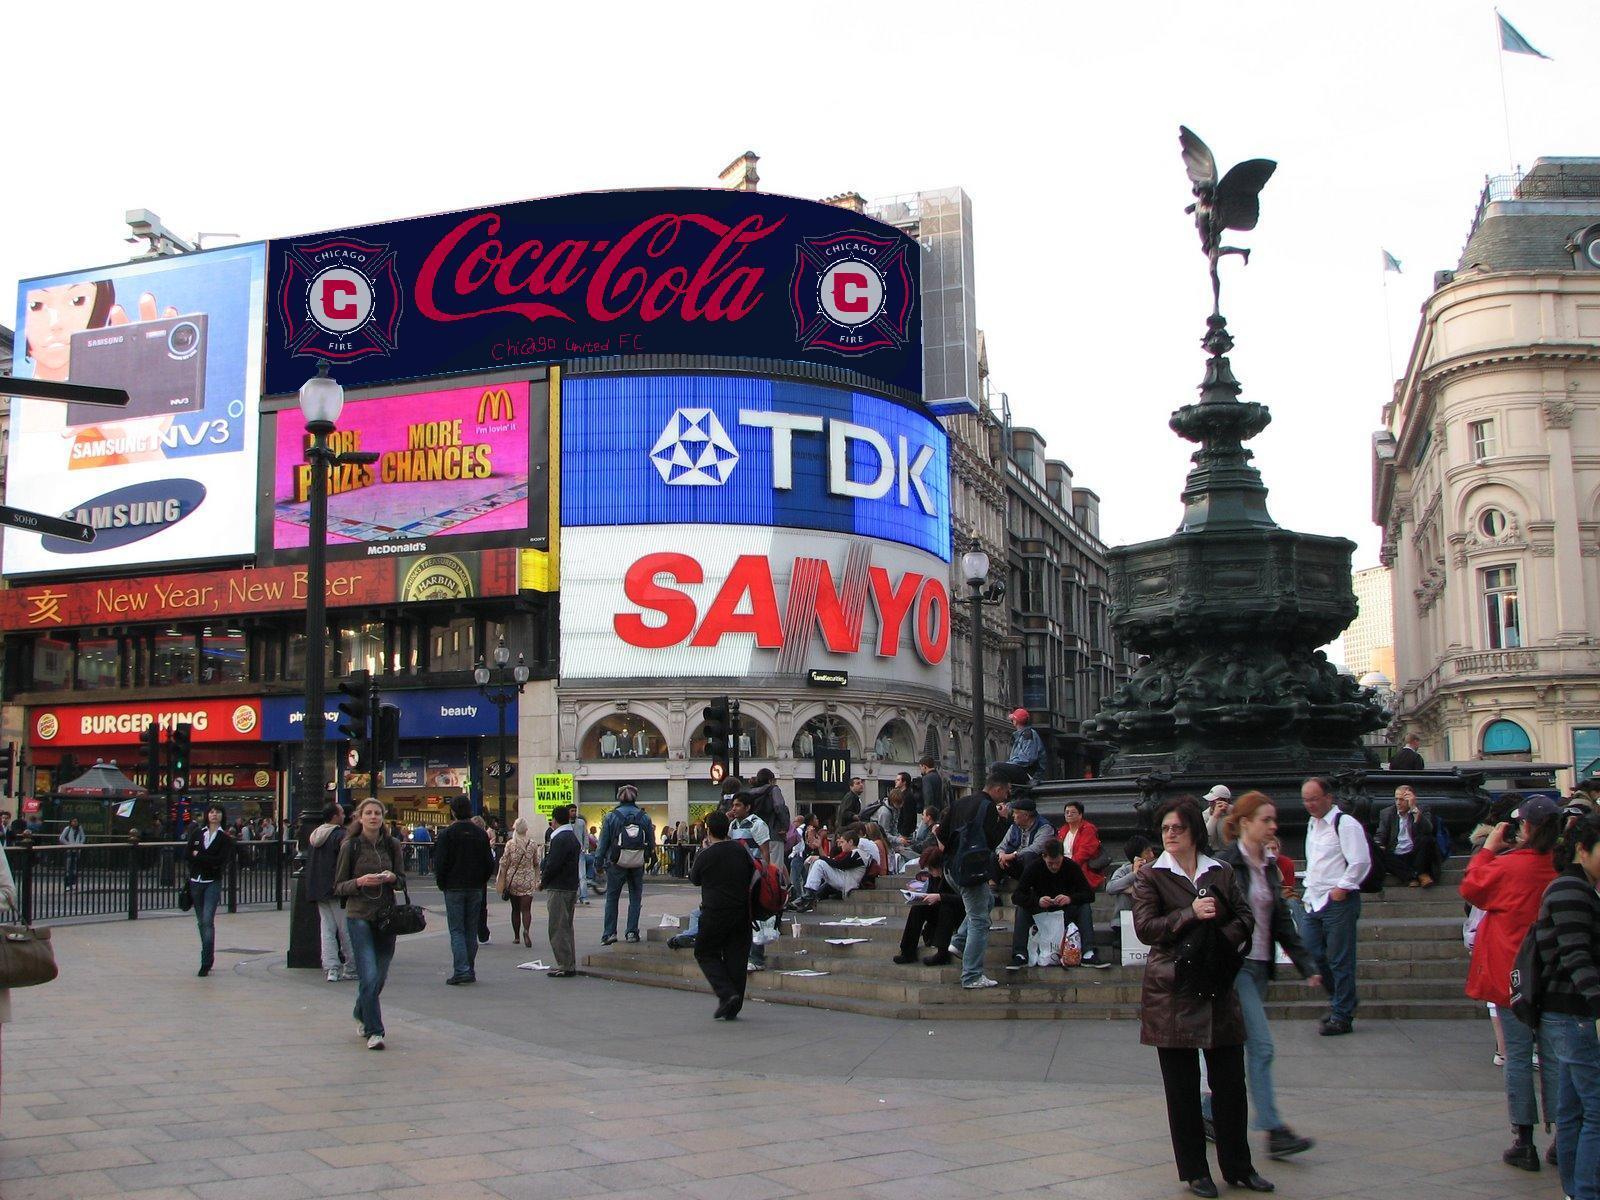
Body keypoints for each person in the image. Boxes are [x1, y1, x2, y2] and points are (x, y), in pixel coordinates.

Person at [1132, 796, 1271, 1198]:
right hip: (1172, 990)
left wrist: (1220, 942)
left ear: (1194, 830)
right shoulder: (1151, 876)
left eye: (1177, 828)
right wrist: (1190, 913)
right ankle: (1195, 1171)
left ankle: (1239, 1166)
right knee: (1182, 1088)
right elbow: (1146, 928)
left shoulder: (1220, 871)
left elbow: (1245, 916)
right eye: (1164, 830)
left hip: (1217, 985)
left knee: (1230, 1084)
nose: (1170, 835)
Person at [1204, 791, 1321, 1161]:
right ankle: (1273, 1130)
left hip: (1258, 967)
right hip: (1234, 967)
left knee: (1237, 1046)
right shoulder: (1224, 864)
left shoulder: (1268, 865)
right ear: (1244, 823)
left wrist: (1306, 964)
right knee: (1262, 1046)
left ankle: (1208, 1109)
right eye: (1266, 820)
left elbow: (1281, 920)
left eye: (1274, 820)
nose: (1273, 826)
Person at [1461, 794, 1560, 1172]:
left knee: (1518, 1057)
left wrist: (1488, 848)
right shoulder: (1560, 866)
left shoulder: (1509, 867)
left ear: (1526, 827)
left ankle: (1524, 1140)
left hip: (1512, 976)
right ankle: (1562, 1137)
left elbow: (1471, 888)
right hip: (1552, 976)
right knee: (1553, 1058)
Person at [1532, 811, 1600, 1200]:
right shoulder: (1572, 891)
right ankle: (1587, 1190)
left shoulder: (1571, 888)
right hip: (1573, 1013)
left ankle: (1577, 1189)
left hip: (1564, 1012)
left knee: (1574, 1110)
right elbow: (1576, 957)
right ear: (1582, 849)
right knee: (1595, 1109)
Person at [1299, 777, 1370, 1036]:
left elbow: (1360, 861)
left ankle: (1342, 1013)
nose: (1309, 805)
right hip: (1314, 898)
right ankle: (1343, 999)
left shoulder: (1345, 824)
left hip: (1337, 899)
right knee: (1312, 951)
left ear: (1328, 797)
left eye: (1314, 799)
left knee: (1340, 958)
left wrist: (1343, 887)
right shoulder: (1312, 824)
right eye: (1306, 800)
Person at [333, 798, 405, 1050]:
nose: (373, 817)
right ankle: (375, 1031)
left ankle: (361, 1010)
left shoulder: (392, 844)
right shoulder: (350, 846)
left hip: (386, 917)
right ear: (360, 817)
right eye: (369, 813)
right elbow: (339, 886)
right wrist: (360, 881)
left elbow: (402, 880)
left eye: (378, 813)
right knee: (369, 973)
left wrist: (393, 877)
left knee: (380, 976)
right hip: (359, 914)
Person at [939, 767, 1008, 990]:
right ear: (997, 789)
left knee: (986, 901)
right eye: (1005, 792)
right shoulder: (988, 808)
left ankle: (959, 943)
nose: (1006, 796)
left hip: (952, 867)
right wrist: (1004, 821)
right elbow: (991, 841)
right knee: (979, 920)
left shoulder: (961, 802)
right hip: (972, 871)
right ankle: (972, 975)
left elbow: (941, 834)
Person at [689, 810, 756, 1019]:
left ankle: (726, 994)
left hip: (715, 911)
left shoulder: (707, 854)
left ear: (708, 831)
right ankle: (734, 1004)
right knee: (737, 956)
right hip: (741, 910)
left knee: (705, 951)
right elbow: (752, 871)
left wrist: (704, 852)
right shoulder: (740, 850)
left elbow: (694, 878)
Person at [1010, 838, 1097, 971]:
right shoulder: (1034, 867)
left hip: (1065, 912)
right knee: (1021, 909)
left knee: (1084, 907)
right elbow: (1017, 896)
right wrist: (1037, 901)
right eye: (1051, 863)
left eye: (1057, 862)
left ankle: (1088, 952)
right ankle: (1020, 954)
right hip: (1041, 912)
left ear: (1063, 857)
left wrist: (1070, 899)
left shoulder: (1071, 866)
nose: (1054, 867)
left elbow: (1089, 894)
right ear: (1044, 857)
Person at [434, 797, 494, 984]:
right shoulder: (480, 834)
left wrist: (442, 882)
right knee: (470, 929)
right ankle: (469, 967)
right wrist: (481, 880)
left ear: (453, 812)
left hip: (454, 886)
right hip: (475, 886)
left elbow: (440, 863)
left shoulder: (447, 834)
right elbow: (489, 863)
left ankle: (462, 969)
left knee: (457, 930)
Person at [597, 784, 654, 945]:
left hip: (616, 862)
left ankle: (609, 933)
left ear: (619, 798)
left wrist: (599, 862)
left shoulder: (611, 817)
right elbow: (651, 842)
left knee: (612, 898)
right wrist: (647, 857)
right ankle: (631, 932)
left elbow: (603, 842)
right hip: (637, 862)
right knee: (635, 897)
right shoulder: (644, 817)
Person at [306, 802, 356, 983]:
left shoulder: (315, 835)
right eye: (342, 813)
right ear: (335, 816)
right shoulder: (340, 835)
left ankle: (331, 968)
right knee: (345, 929)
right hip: (336, 888)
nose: (344, 816)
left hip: (318, 888)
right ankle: (351, 966)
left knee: (326, 929)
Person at [184, 803, 234, 978]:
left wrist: (201, 856)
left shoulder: (225, 838)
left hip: (212, 882)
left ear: (222, 816)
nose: (214, 815)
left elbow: (219, 861)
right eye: (211, 812)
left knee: (207, 920)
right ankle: (209, 955)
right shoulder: (198, 833)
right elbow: (188, 854)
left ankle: (205, 962)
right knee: (201, 922)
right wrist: (204, 858)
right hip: (195, 882)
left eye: (217, 812)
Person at [894, 846, 964, 965]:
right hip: (939, 910)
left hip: (956, 912)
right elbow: (931, 893)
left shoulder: (953, 874)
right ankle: (907, 951)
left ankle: (942, 953)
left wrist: (940, 897)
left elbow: (963, 898)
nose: (930, 872)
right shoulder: (933, 878)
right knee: (918, 908)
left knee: (946, 908)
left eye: (931, 868)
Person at [789, 827, 877, 911]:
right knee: (819, 863)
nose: (841, 845)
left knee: (819, 863)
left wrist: (820, 858)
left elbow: (839, 864)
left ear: (850, 842)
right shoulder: (853, 853)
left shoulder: (858, 854)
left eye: (843, 842)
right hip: (846, 879)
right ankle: (808, 896)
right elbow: (834, 861)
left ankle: (808, 897)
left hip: (848, 883)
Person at [540, 806, 581, 977]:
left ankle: (564, 964)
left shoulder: (559, 838)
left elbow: (553, 864)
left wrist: (543, 881)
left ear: (554, 820)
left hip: (559, 887)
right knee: (566, 926)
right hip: (570, 885)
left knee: (557, 927)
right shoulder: (572, 836)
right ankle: (568, 962)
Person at [1375, 785, 1441, 888]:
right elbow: (1381, 834)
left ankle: (1421, 872)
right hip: (1396, 854)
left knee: (1427, 840)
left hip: (1415, 853)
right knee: (1378, 852)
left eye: (1402, 800)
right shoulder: (1387, 813)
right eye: (1396, 799)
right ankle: (1412, 877)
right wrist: (1378, 844)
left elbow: (1428, 829)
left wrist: (1414, 809)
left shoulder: (1422, 809)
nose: (1398, 803)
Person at [497, 817, 540, 950]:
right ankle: (526, 930)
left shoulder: (510, 844)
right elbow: (536, 862)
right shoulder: (532, 844)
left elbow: (504, 862)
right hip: (527, 878)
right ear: (526, 829)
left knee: (515, 909)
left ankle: (516, 937)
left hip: (513, 879)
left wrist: (502, 878)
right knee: (526, 910)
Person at [746, 768, 789, 869]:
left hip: (755, 835)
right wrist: (784, 826)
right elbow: (779, 806)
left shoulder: (750, 793)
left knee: (759, 866)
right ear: (770, 780)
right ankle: (774, 885)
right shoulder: (773, 790)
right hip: (773, 832)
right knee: (775, 867)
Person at [1006, 708, 1045, 779]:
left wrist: (1009, 765)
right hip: (1027, 772)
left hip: (1030, 774)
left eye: (1013, 720)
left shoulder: (1027, 735)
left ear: (1016, 721)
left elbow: (1028, 758)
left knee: (997, 767)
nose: (1012, 721)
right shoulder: (1023, 735)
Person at [918, 757, 946, 829]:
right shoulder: (938, 777)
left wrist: (925, 812)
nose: (920, 770)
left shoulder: (926, 778)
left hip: (930, 814)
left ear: (924, 766)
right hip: (939, 812)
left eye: (920, 767)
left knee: (920, 836)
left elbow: (928, 796)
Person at [58, 818, 85, 890]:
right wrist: (68, 844)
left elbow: (83, 837)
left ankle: (73, 883)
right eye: (74, 821)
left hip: (76, 850)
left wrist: (80, 844)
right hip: (69, 850)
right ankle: (67, 884)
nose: (75, 823)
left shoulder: (79, 829)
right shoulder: (67, 829)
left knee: (75, 867)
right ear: (71, 822)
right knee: (68, 867)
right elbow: (61, 838)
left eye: (76, 821)